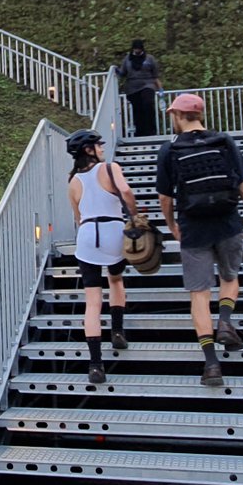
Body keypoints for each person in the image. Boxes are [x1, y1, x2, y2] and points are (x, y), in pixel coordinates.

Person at [157, 93, 243, 386]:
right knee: (230, 277)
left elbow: (165, 197)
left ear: (178, 116)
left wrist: (171, 224)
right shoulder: (224, 141)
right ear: (199, 115)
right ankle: (225, 321)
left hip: (193, 228)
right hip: (228, 222)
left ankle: (211, 365)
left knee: (199, 294)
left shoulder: (169, 150)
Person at [67, 129, 138, 386]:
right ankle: (117, 331)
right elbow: (126, 192)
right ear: (89, 149)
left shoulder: (73, 181)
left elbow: (78, 216)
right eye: (98, 144)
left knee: (92, 301)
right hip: (113, 233)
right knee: (116, 281)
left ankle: (96, 365)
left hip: (87, 237)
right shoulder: (110, 168)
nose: (102, 148)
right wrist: (135, 214)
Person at [118, 40, 162, 138]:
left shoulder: (150, 58)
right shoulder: (127, 59)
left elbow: (155, 75)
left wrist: (160, 89)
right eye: (135, 49)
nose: (137, 51)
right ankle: (140, 132)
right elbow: (122, 73)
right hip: (132, 87)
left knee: (148, 104)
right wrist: (116, 71)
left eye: (139, 49)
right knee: (137, 110)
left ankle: (151, 131)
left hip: (148, 84)